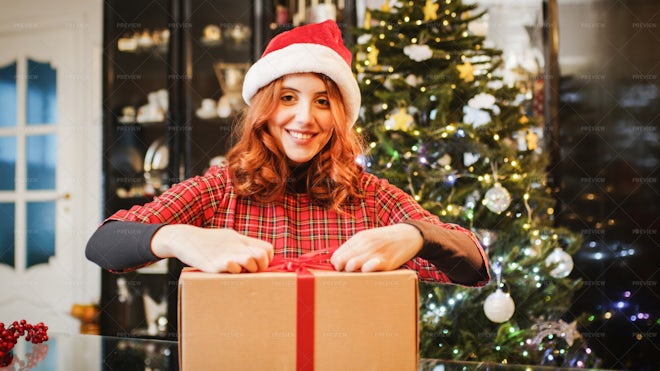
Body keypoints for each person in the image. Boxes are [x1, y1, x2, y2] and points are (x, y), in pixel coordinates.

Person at [86, 20, 490, 287]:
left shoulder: (371, 197)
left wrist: (415, 235)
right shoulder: (220, 190)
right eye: (288, 97)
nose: (304, 117)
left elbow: (474, 266)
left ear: (340, 117)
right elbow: (104, 244)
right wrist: (178, 238)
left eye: (322, 102)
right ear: (264, 109)